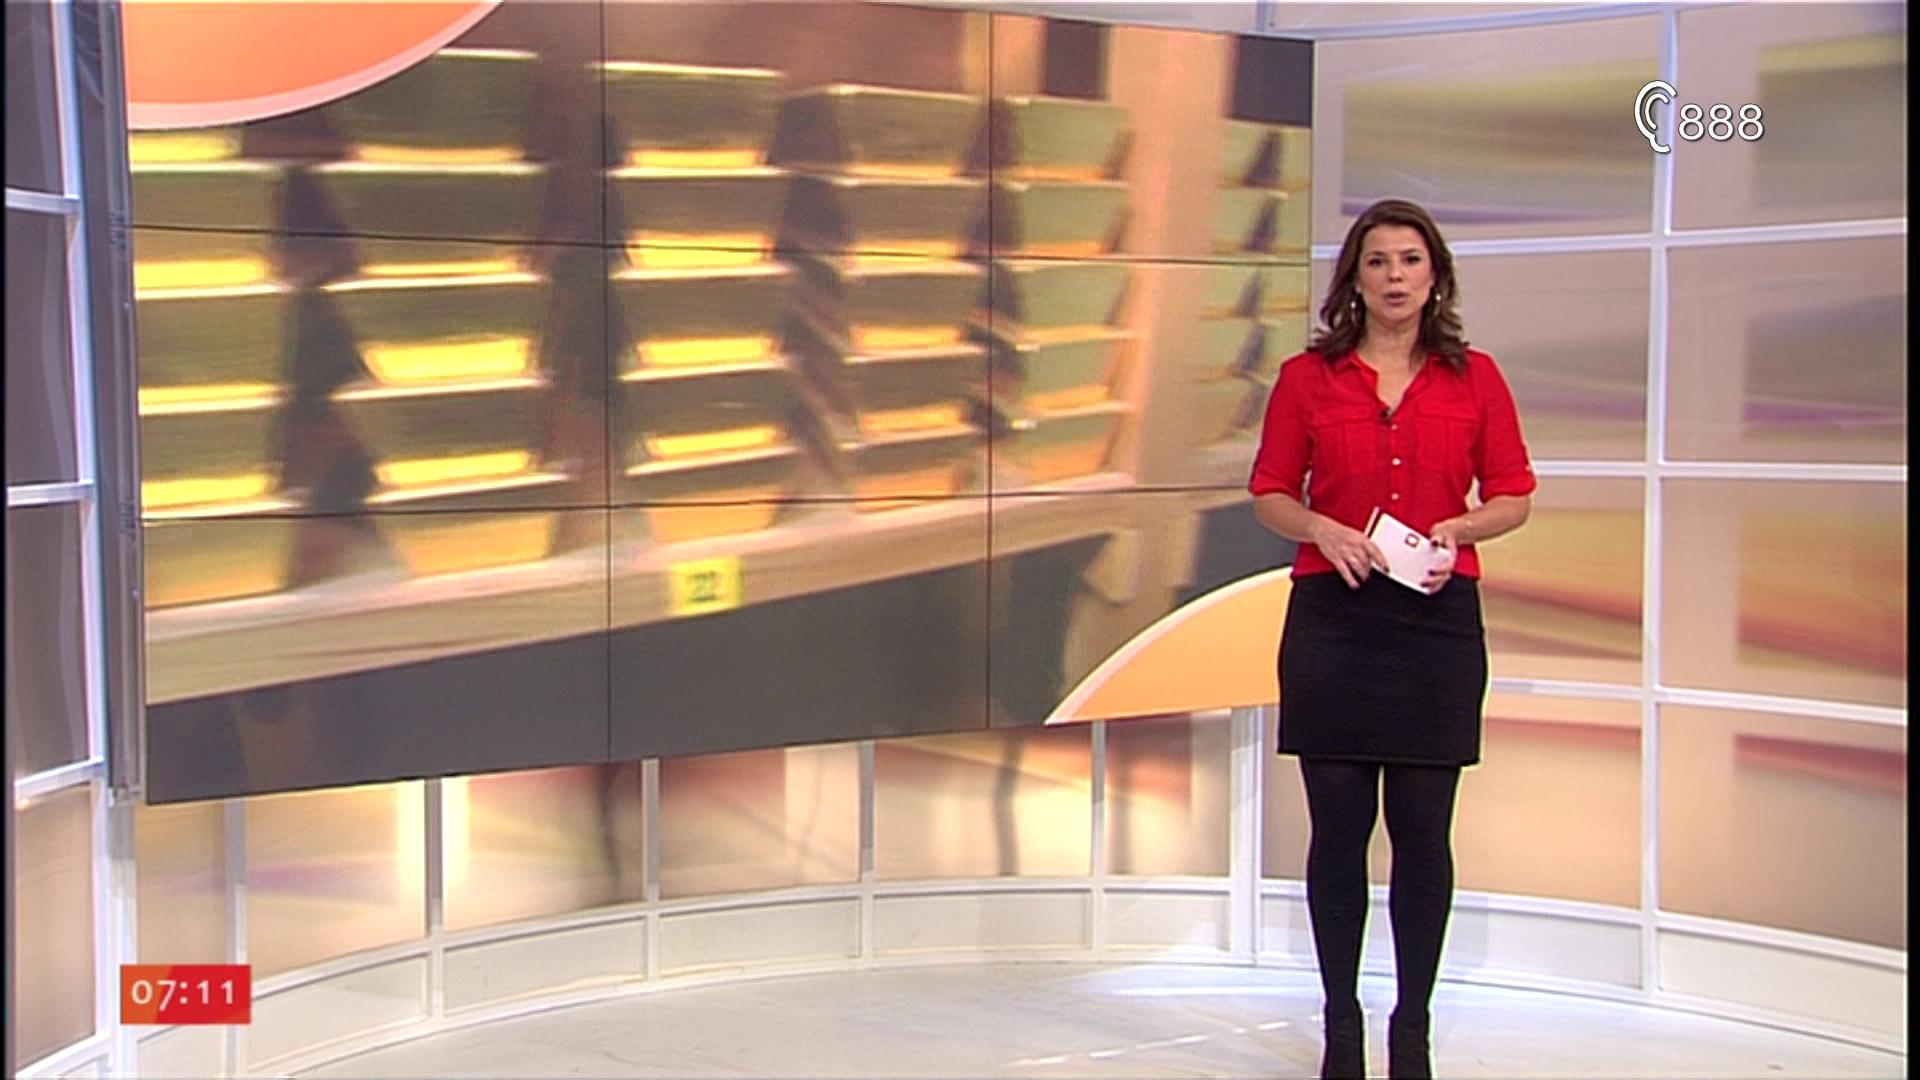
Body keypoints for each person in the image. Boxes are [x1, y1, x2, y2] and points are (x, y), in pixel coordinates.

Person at [1248, 198, 1536, 1079]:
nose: (1395, 276)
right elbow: (1269, 492)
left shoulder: (1475, 378)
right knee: (1338, 833)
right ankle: (1342, 1025)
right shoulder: (1307, 379)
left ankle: (1412, 1030)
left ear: (1434, 274)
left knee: (1422, 832)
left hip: (1434, 625)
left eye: (1410, 259)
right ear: (1356, 279)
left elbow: (1515, 495)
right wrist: (1322, 528)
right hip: (1333, 620)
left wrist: (1461, 529)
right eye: (1378, 261)